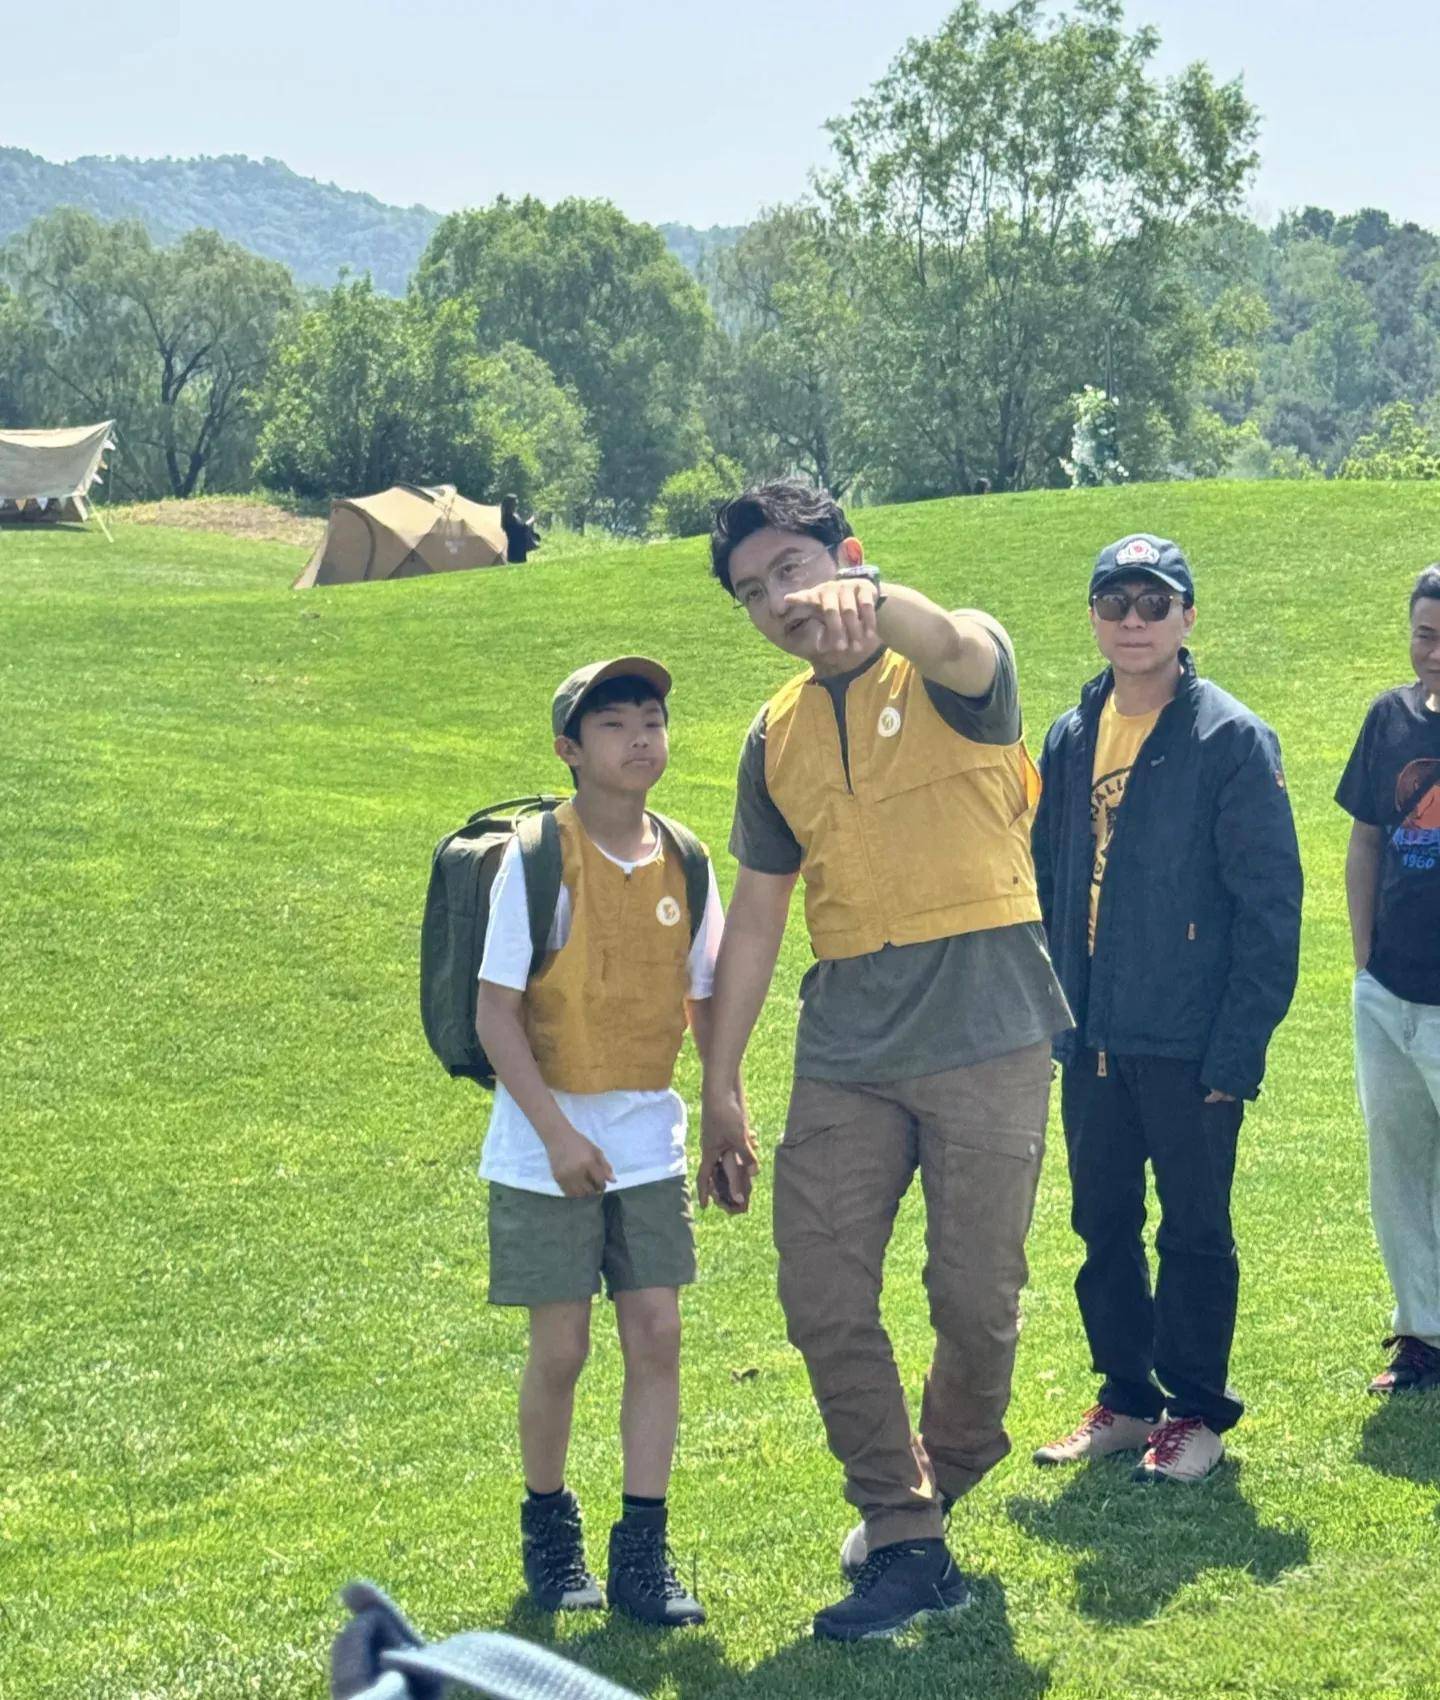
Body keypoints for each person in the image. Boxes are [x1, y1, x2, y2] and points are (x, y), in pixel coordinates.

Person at [699, 479, 1072, 1642]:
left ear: (847, 553)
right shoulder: (773, 736)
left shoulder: (957, 663)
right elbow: (757, 919)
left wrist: (877, 598)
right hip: (847, 1047)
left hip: (989, 1026)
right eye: (752, 590)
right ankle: (903, 1534)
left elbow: (955, 638)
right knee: (819, 1288)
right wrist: (719, 1078)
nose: (778, 600)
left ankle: (943, 1473)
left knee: (975, 1298)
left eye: (793, 568)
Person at [1031, 535, 1302, 1483]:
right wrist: (1053, 1015)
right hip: (1092, 1035)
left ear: (1188, 616)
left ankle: (1195, 1413)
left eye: (1155, 604)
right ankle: (1126, 1397)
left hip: (1189, 1040)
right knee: (1101, 1222)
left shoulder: (1231, 740)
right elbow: (1048, 879)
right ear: (1094, 617)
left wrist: (1236, 1054)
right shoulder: (1071, 735)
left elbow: (1270, 911)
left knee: (1193, 1230)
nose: (1134, 622)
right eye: (1116, 603)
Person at [473, 657, 723, 1627]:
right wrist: (557, 1133)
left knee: (657, 1333)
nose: (639, 739)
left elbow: (706, 1000)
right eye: (614, 725)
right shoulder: (537, 859)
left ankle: (643, 1552)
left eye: (651, 719)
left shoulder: (685, 858)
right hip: (544, 1146)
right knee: (563, 1346)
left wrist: (727, 1108)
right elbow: (495, 1015)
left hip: (648, 1143)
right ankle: (549, 1528)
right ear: (569, 751)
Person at [1337, 565, 1440, 1395]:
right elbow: (1367, 838)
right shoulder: (1389, 720)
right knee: (1399, 1174)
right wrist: (1364, 961)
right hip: (1389, 996)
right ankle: (1423, 1335)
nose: (1434, 653)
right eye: (1425, 635)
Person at [501, 494, 542, 564]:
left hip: (520, 547)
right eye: (515, 504)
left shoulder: (515, 516)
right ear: (510, 505)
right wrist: (532, 519)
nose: (516, 506)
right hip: (515, 548)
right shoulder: (508, 518)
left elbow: (522, 528)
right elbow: (521, 528)